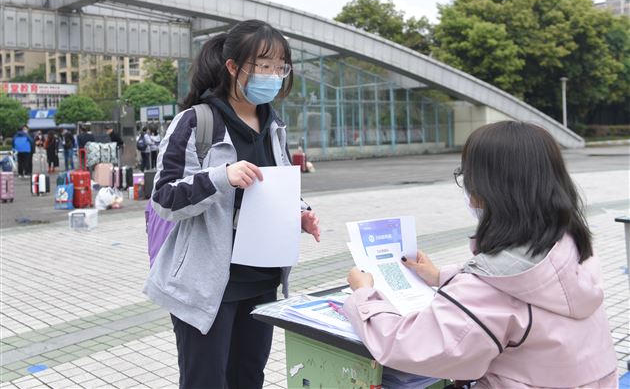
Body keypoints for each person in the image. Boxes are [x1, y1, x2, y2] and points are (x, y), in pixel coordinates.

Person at [344, 121, 617, 388]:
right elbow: (519, 293)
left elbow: (408, 346)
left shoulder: (491, 289)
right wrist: (442, 276)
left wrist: (364, 295)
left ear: (487, 190)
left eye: (467, 177)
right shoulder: (573, 249)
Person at [143, 19, 321, 389]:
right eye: (263, 65)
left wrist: (300, 212)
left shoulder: (273, 126)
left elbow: (276, 185)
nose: (273, 75)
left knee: (248, 378)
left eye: (279, 67)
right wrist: (221, 177)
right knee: (205, 381)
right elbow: (164, 198)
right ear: (233, 67)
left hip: (262, 279)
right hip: (208, 287)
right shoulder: (195, 123)